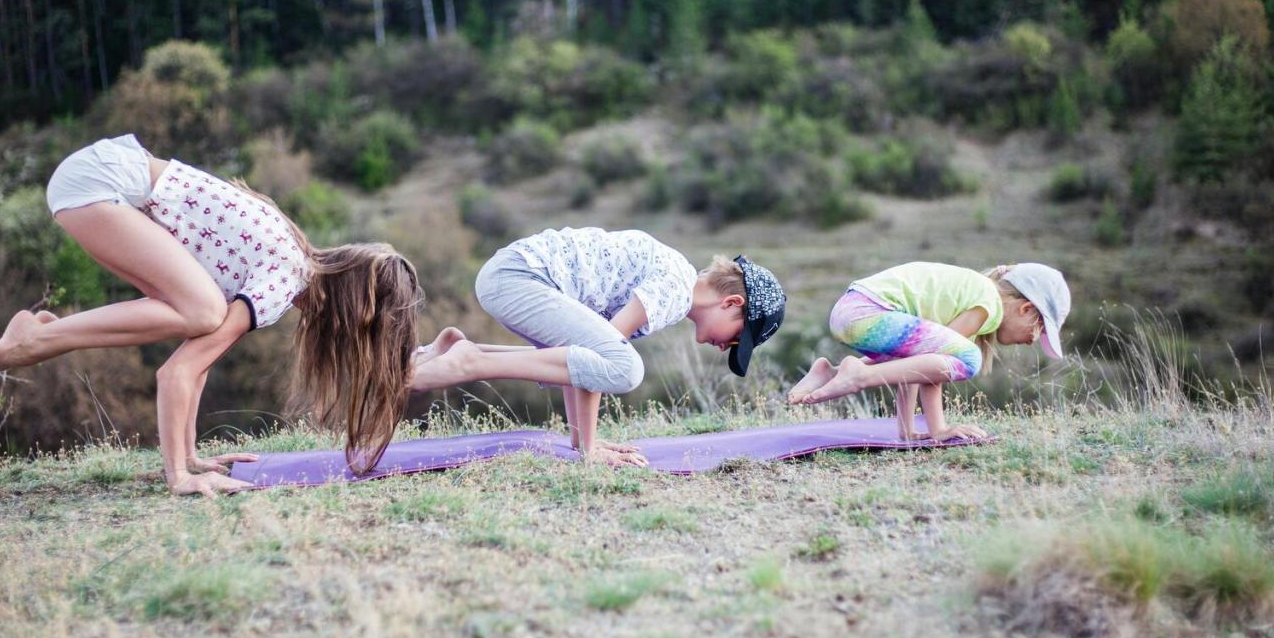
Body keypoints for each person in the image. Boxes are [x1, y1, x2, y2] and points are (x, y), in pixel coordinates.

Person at [0, 134, 423, 496]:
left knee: (200, 315)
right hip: (100, 182)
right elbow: (176, 373)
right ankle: (39, 338)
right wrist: (179, 475)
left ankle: (42, 334)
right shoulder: (286, 278)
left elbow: (196, 362)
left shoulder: (289, 264)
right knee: (203, 312)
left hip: (96, 178)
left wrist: (193, 455)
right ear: (353, 314)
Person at [412, 227, 786, 466]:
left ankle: (459, 350)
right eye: (738, 338)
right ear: (732, 304)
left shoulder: (674, 278)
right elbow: (602, 356)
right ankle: (469, 362)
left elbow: (580, 360)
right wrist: (591, 452)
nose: (728, 348)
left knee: (605, 360)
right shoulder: (675, 289)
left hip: (511, 274)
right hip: (519, 277)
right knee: (627, 368)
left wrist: (581, 442)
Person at [788, 261, 1069, 440]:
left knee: (925, 358)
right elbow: (936, 365)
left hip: (850, 312)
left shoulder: (973, 291)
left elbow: (915, 366)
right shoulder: (989, 305)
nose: (1034, 340)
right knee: (967, 357)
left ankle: (830, 372)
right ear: (1026, 309)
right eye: (1040, 330)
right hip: (868, 314)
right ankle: (857, 375)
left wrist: (906, 431)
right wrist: (940, 431)